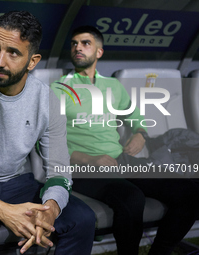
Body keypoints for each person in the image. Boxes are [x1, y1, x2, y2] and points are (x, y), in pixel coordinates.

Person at [0, 11, 96, 255]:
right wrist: (2, 210)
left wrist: (51, 208)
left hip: (17, 183)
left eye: (13, 53)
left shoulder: (47, 100)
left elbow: (60, 170)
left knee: (83, 219)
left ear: (33, 61)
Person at [51, 25, 199, 255]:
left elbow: (136, 115)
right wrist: (90, 159)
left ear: (99, 52)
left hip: (120, 160)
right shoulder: (59, 89)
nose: (77, 47)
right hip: (82, 167)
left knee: (189, 191)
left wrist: (141, 133)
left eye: (85, 43)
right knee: (131, 198)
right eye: (74, 43)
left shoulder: (112, 86)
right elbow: (49, 140)